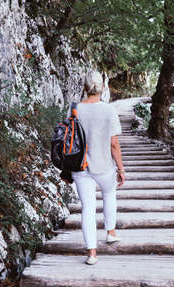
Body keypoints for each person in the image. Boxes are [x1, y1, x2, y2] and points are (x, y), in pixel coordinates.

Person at [64, 70, 126, 265]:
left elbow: (69, 137)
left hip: (80, 166)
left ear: (84, 87)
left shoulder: (74, 109)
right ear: (103, 88)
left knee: (88, 208)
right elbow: (114, 144)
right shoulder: (109, 110)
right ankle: (111, 232)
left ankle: (92, 253)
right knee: (109, 194)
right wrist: (121, 169)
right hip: (104, 165)